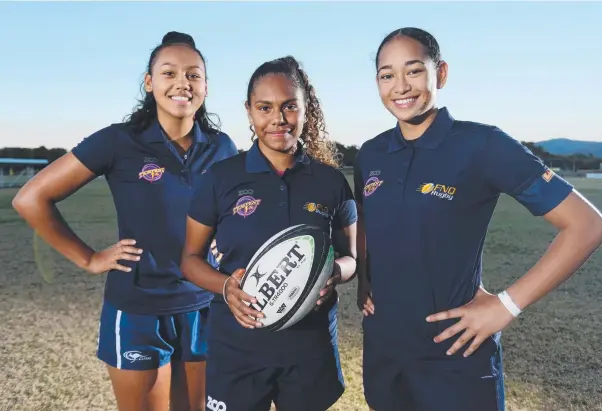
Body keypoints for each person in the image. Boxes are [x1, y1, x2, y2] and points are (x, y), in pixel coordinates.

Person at [354, 27, 602, 411]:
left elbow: (587, 226)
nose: (401, 86)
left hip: (455, 359)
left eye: (414, 70)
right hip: (384, 358)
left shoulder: (481, 145)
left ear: (440, 73)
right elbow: (370, 226)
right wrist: (363, 279)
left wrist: (506, 305)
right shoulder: (371, 154)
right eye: (387, 75)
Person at [12, 31, 237, 411]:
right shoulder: (119, 142)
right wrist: (88, 258)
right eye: (169, 73)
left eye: (193, 75)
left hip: (204, 305)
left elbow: (230, 214)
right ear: (149, 83)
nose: (182, 82)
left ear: (206, 87)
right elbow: (31, 198)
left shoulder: (222, 147)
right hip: (138, 308)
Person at [180, 55, 357, 411]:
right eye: (265, 107)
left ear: (306, 109)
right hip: (237, 346)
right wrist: (226, 285)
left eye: (290, 106)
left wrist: (333, 272)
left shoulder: (330, 182)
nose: (278, 119)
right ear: (249, 111)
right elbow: (189, 259)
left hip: (310, 345)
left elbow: (352, 257)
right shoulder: (220, 178)